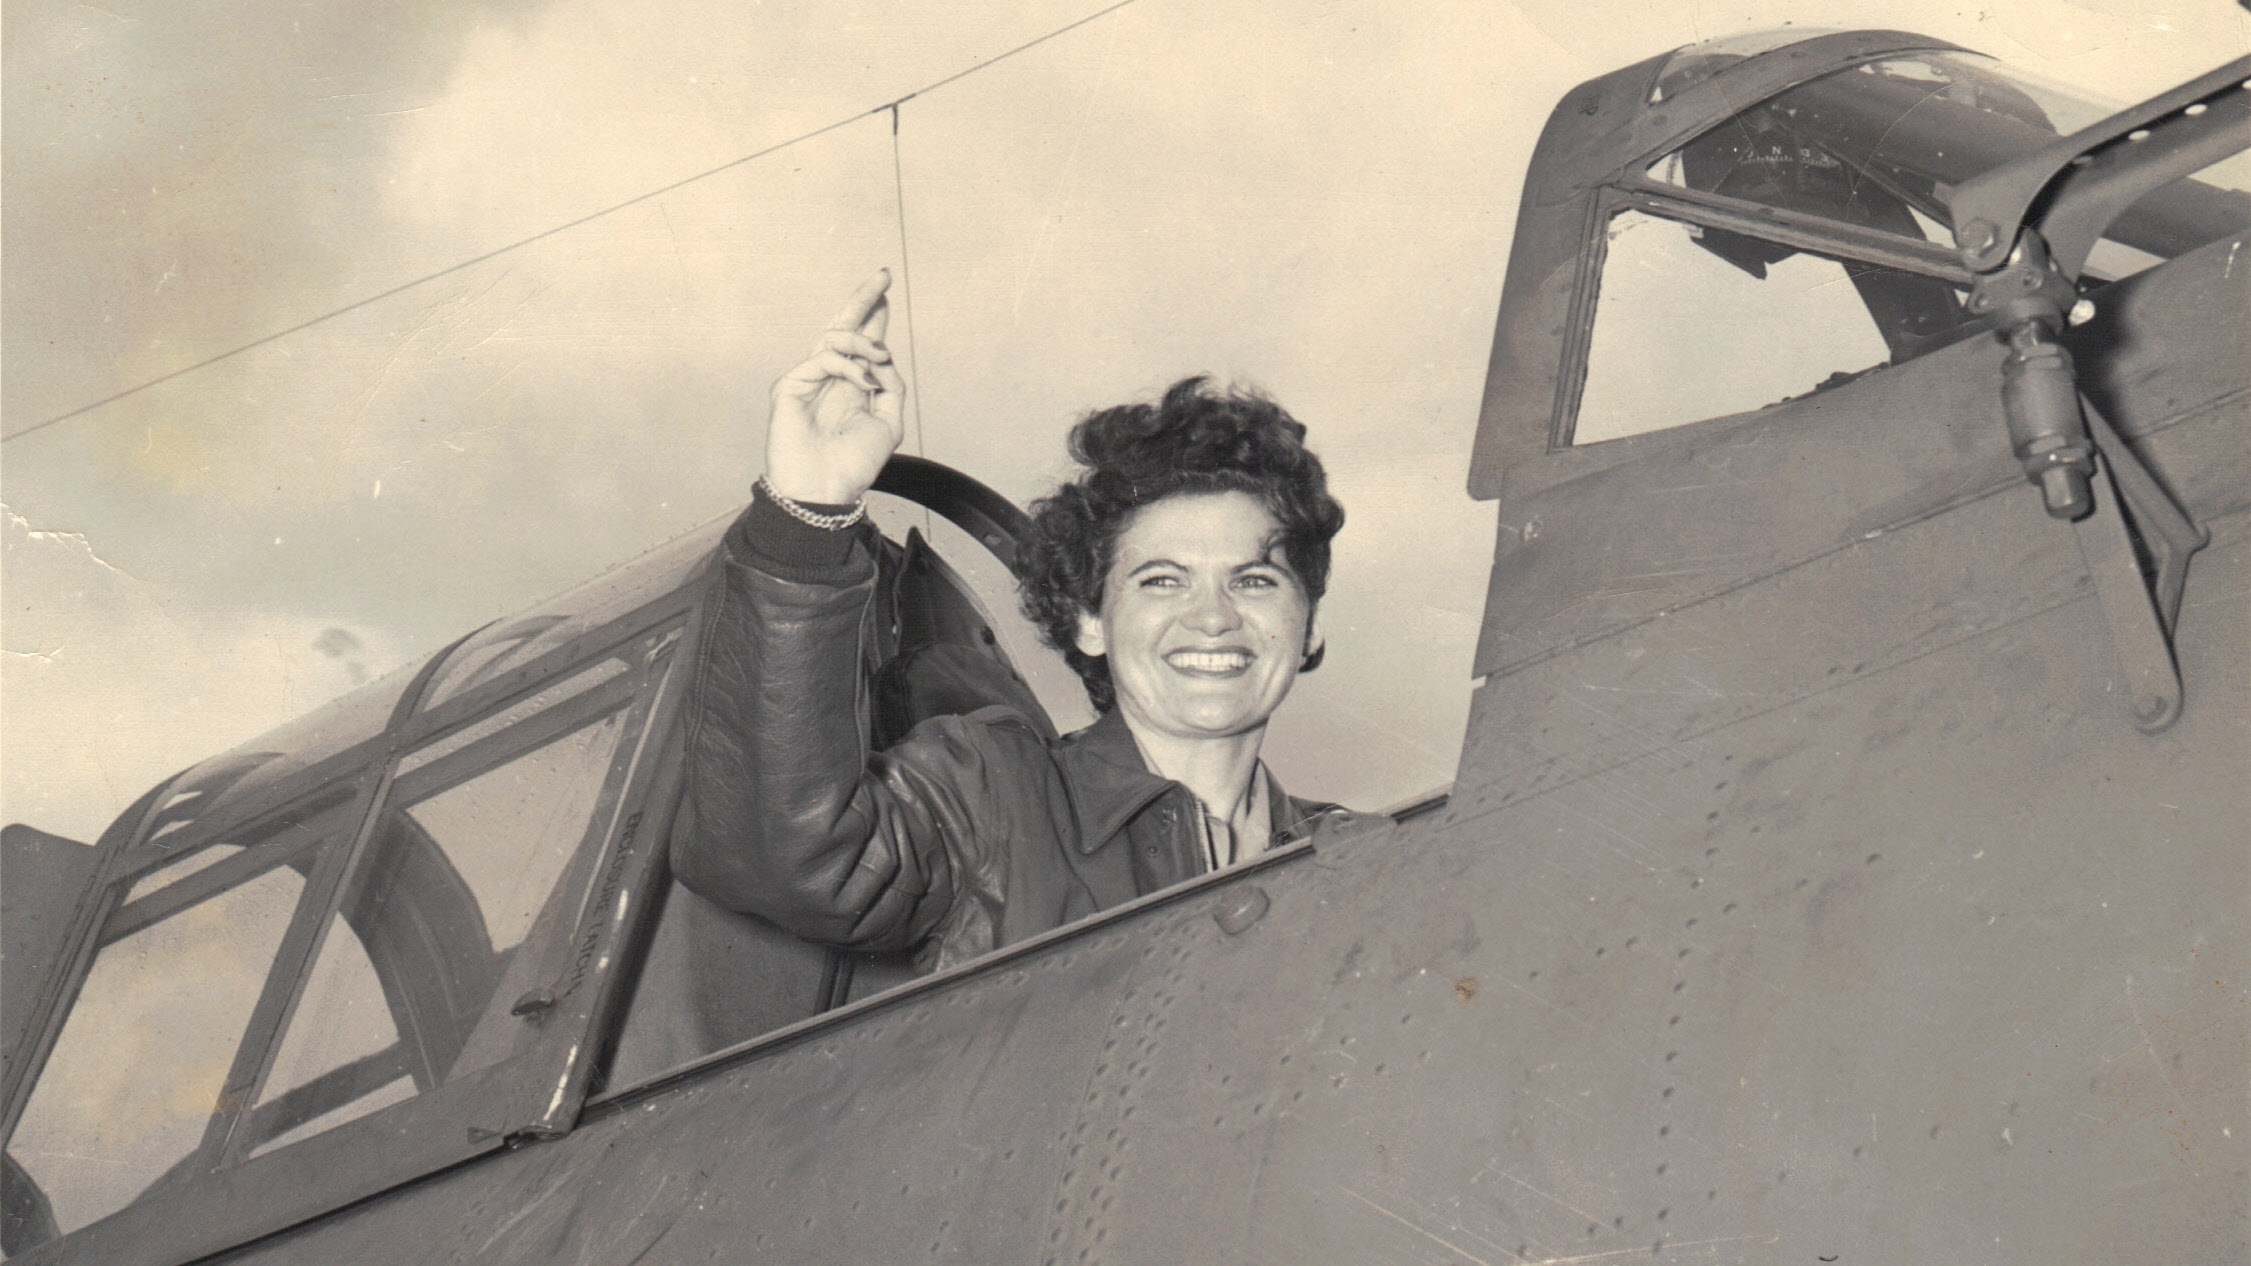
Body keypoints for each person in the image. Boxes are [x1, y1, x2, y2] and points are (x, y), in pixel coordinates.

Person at [672, 272, 1351, 972]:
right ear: (1090, 620)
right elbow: (783, 853)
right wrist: (806, 514)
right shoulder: (992, 795)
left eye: (1253, 580)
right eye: (1161, 581)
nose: (1212, 616)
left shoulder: (1357, 860)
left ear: (1310, 626)